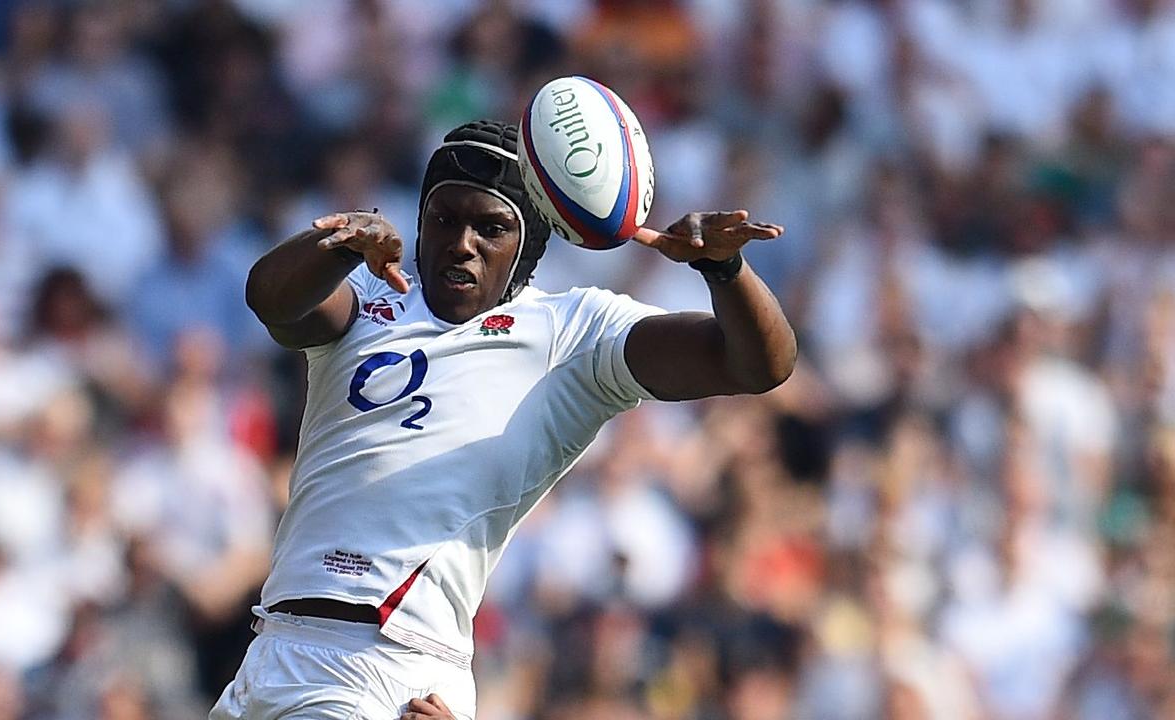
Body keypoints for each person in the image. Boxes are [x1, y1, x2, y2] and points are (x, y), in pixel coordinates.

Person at [212, 120, 796, 720]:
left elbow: (757, 365)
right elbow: (270, 299)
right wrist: (336, 244)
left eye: (490, 227)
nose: (462, 243)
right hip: (273, 649)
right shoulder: (367, 296)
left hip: (387, 666)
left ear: (530, 246)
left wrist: (725, 271)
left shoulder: (572, 336)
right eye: (445, 220)